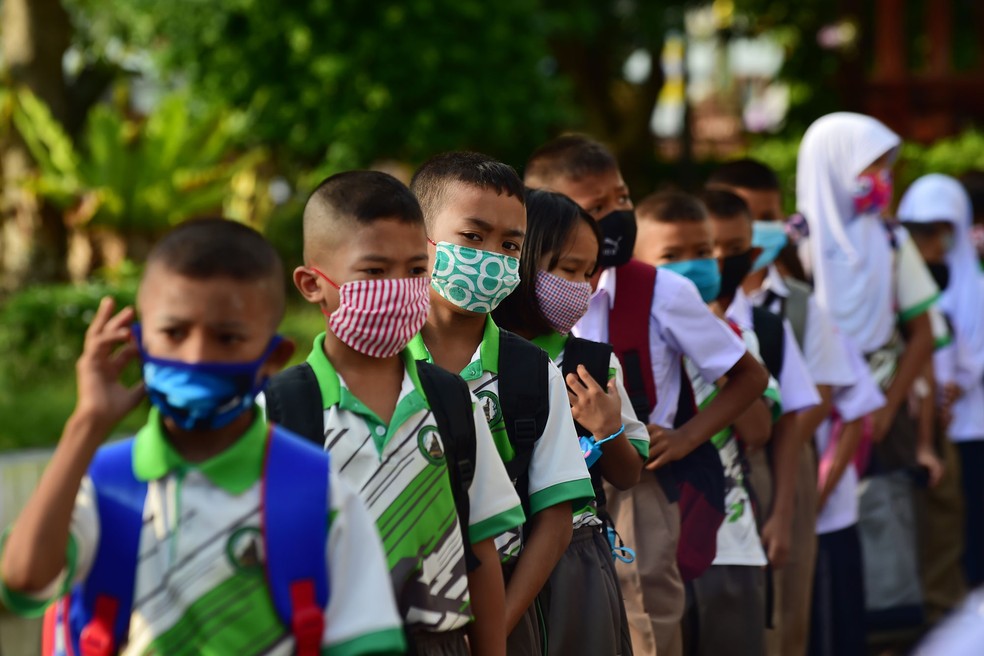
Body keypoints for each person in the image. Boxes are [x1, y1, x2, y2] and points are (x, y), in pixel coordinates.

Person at [0, 219, 406, 655]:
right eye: (174, 334)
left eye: (228, 338)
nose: (196, 356)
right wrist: (86, 424)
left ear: (273, 360)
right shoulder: (105, 485)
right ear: (138, 344)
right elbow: (24, 583)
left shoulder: (319, 494)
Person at [525, 134, 769, 656]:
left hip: (633, 478)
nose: (616, 215)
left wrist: (683, 438)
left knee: (646, 612)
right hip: (537, 486)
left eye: (623, 198)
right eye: (596, 206)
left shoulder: (662, 289)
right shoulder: (519, 302)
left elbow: (748, 376)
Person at [279, 171, 526, 655]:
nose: (400, 289)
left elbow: (482, 549)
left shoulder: (452, 402)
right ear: (313, 284)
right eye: (374, 271)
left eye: (416, 270)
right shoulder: (284, 411)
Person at [408, 153, 594, 656]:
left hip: (508, 619)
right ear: (418, 238)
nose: (491, 256)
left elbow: (555, 518)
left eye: (510, 244)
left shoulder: (531, 371)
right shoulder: (378, 365)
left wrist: (495, 630)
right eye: (473, 237)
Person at [797, 112, 939, 656]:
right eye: (870, 165)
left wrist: (885, 407)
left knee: (877, 535)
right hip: (815, 412)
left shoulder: (889, 238)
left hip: (879, 408)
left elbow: (923, 333)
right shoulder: (796, 241)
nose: (882, 177)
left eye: (885, 166)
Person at [492, 188, 647, 656]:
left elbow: (628, 472)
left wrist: (609, 427)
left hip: (577, 562)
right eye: (566, 270)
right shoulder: (478, 356)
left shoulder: (594, 364)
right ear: (520, 259)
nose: (581, 286)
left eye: (588, 272)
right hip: (496, 558)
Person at [632, 189, 779, 656]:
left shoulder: (736, 337)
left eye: (703, 252)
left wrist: (713, 350)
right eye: (672, 256)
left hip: (731, 542)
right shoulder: (624, 337)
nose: (694, 264)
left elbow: (757, 431)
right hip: (655, 546)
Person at [899, 174, 984, 591]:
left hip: (974, 426)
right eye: (927, 228)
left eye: (946, 228)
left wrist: (958, 386)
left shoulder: (977, 287)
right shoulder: (899, 283)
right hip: (926, 429)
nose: (938, 240)